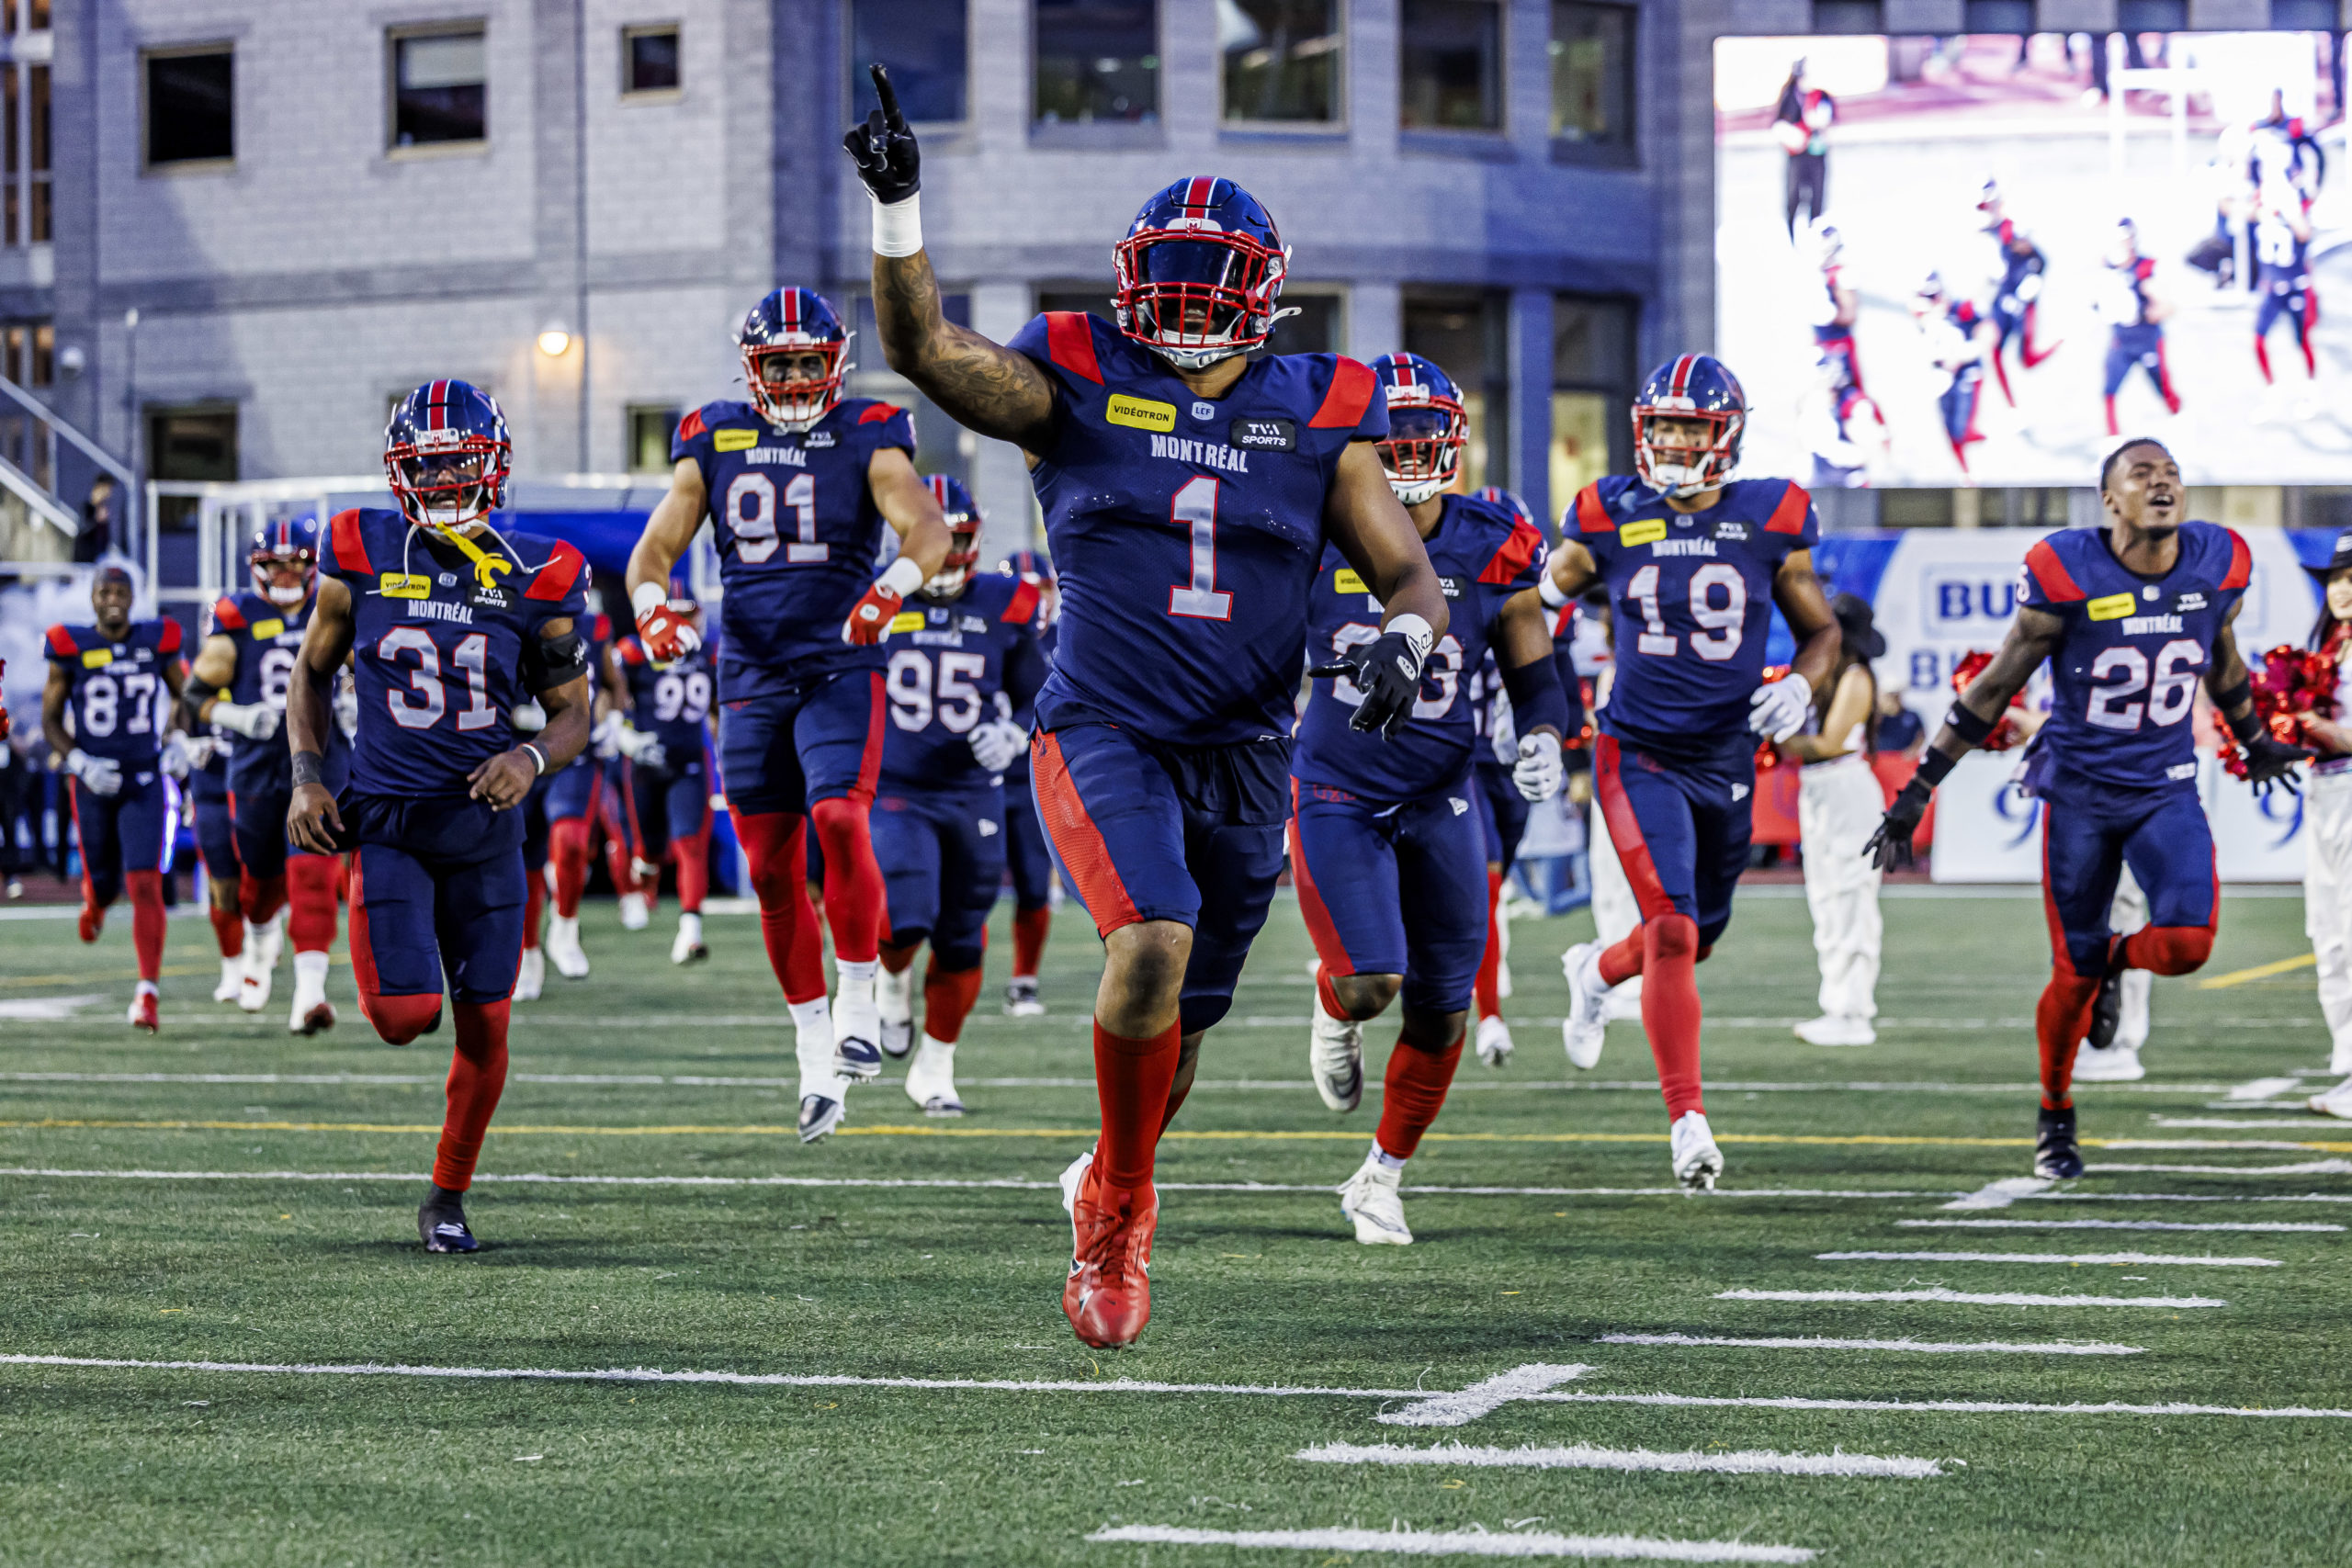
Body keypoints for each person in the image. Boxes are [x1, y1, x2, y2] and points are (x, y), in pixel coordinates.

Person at [845, 65, 1449, 1346]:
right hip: (1102, 724)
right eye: (1166, 267)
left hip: (1245, 750)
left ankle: (1117, 1169)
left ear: (1264, 290)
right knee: (1153, 944)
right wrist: (900, 206)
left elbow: (1407, 568)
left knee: (1186, 1023)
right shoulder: (1076, 372)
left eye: (1209, 270)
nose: (1183, 294)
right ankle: (1120, 1212)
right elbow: (921, 348)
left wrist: (1404, 635)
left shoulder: (1319, 408)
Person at [1865, 439, 2305, 1177]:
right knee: (2069, 973)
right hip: (2080, 793)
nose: (2162, 483)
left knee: (2187, 944)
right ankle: (2056, 1110)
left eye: (2171, 473)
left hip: (2165, 786)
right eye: (2143, 474)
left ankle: (2118, 962)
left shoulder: (2215, 561)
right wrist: (1918, 787)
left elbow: (2221, 659)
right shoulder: (2068, 571)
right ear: (2110, 499)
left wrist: (2256, 737)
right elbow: (1993, 689)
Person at [627, 283, 953, 1145]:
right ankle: (813, 1046)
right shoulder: (714, 434)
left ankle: (858, 997)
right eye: (785, 362)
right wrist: (653, 603)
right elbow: (656, 546)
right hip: (752, 673)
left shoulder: (870, 432)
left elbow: (927, 526)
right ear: (755, 369)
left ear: (836, 364)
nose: (802, 375)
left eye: (813, 360)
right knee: (771, 866)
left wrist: (893, 587)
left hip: (841, 663)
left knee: (841, 817)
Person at [286, 379, 595, 1253]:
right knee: (402, 1013)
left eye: (461, 462)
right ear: (399, 472)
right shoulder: (360, 548)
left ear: (492, 465)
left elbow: (575, 711)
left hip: (486, 835)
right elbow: (310, 672)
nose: (448, 480)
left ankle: (447, 1195)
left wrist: (530, 756)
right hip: (386, 822)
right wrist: (310, 775)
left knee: (486, 1021)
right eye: (430, 466)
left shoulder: (539, 572)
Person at [1543, 355, 1842, 1190]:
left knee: (1698, 936)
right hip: (1636, 749)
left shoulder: (1771, 513)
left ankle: (1595, 968)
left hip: (1725, 753)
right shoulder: (1606, 512)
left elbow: (1820, 631)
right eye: (1663, 427)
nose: (1674, 443)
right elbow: (1539, 599)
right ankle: (1688, 1121)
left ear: (1726, 437)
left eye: (1690, 428)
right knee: (1672, 928)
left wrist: (1803, 688)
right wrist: (1534, 693)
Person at [1292, 353, 1569, 1245]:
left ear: (1452, 440)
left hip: (1442, 793)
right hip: (1335, 785)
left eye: (1421, 432)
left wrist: (1542, 734)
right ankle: (1334, 1006)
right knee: (1373, 981)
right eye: (1392, 432)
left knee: (1445, 1004)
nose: (1407, 448)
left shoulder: (1491, 538)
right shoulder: (1318, 524)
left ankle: (1380, 1177)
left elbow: (1530, 654)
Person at [870, 476, 1048, 1116]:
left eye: (956, 541)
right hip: (897, 788)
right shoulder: (877, 600)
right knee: (906, 911)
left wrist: (1015, 730)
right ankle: (891, 980)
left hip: (973, 790)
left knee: (964, 935)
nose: (944, 556)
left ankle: (935, 1066)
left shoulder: (1006, 602)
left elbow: (1042, 692)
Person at [186, 516, 349, 1033]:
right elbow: (196, 694)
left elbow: (373, 664)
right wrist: (237, 716)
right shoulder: (236, 615)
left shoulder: (337, 603)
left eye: (296, 562)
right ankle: (259, 945)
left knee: (313, 874)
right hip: (256, 764)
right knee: (258, 885)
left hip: (323, 758)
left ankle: (309, 993)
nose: (284, 573)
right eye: (273, 564)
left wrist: (357, 703)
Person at [42, 559, 193, 1031]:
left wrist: (176, 739)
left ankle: (147, 992)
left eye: (120, 592)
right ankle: (94, 902)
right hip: (92, 779)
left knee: (145, 881)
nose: (112, 600)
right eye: (104, 592)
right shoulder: (70, 645)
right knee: (105, 884)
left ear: (132, 599)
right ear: (93, 598)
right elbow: (50, 720)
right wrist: (78, 761)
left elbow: (184, 695)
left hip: (143, 777)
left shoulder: (157, 640)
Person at [1779, 592, 1884, 1047]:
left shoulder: (1857, 677)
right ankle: (1836, 1003)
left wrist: (1775, 736)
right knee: (1825, 898)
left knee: (1850, 896)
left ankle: (1853, 1010)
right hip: (1820, 788)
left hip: (1845, 786)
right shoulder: (1826, 677)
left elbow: (1829, 742)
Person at [610, 581, 719, 965]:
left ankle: (690, 931)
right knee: (648, 852)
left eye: (690, 613)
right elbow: (610, 697)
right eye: (679, 614)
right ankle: (642, 879)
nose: (687, 622)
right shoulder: (633, 652)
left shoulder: (710, 653)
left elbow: (719, 710)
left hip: (689, 761)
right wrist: (625, 737)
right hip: (645, 762)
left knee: (691, 844)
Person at [2296, 536, 2352, 1119]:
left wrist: (2332, 734)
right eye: (2336, 577)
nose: (2341, 588)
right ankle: (2348, 1065)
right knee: (2329, 935)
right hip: (2326, 793)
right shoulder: (2327, 650)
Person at [996, 547, 1061, 1016]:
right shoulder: (985, 629)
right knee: (961, 890)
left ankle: (1025, 979)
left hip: (1037, 777)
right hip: (975, 778)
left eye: (1040, 591)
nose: (1033, 602)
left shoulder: (1070, 636)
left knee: (1033, 886)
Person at [181, 628, 247, 1006]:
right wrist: (184, 744)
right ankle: (231, 965)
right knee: (222, 880)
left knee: (258, 878)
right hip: (211, 787)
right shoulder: (196, 675)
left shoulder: (257, 666)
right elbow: (176, 721)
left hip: (255, 784)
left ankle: (256, 945)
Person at [1975, 180, 2060, 405]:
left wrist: (2031, 281)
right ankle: (2011, 405)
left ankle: (2059, 343)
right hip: (1999, 298)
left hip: (2019, 297)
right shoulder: (1981, 234)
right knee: (1993, 351)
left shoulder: (2009, 231)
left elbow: (2039, 260)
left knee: (2026, 357)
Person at [2095, 219, 2180, 437]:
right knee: (2109, 392)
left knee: (2163, 389)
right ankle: (2112, 443)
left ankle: (2180, 423)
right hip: (2121, 339)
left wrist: (2149, 310)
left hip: (2146, 340)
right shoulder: (2108, 268)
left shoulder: (2144, 269)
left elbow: (2168, 306)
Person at [1913, 273, 1987, 475]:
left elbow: (1986, 332)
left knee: (1959, 427)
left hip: (1966, 373)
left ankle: (1970, 460)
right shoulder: (1923, 316)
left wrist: (1963, 354)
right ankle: (1965, 472)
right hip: (1941, 378)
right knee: (1949, 427)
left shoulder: (1960, 310)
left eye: (1934, 297)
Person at [2250, 183, 2316, 387]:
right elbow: (2235, 207)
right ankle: (2271, 387)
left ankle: (2310, 387)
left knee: (2302, 341)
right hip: (2273, 288)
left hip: (2296, 287)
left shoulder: (2293, 208)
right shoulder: (2261, 209)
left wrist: (2288, 208)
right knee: (2259, 340)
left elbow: (2304, 232)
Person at [1773, 60, 1835, 242]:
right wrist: (1791, 134)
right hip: (1796, 156)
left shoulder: (1821, 96)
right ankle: (1792, 237)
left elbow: (1828, 121)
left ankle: (1815, 235)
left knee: (1817, 198)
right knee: (1794, 196)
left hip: (1817, 154)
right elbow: (1779, 122)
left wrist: (1820, 123)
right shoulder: (1789, 96)